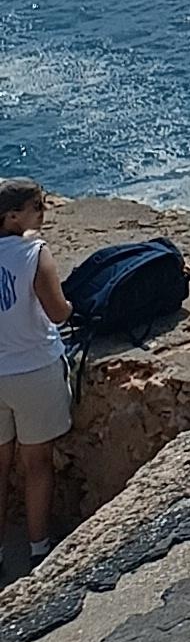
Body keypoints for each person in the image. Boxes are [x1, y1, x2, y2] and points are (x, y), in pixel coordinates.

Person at [0, 180, 75, 564]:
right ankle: (38, 550)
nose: (43, 212)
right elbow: (57, 312)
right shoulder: (34, 252)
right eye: (37, 207)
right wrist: (73, 306)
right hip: (32, 370)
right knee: (37, 464)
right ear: (12, 216)